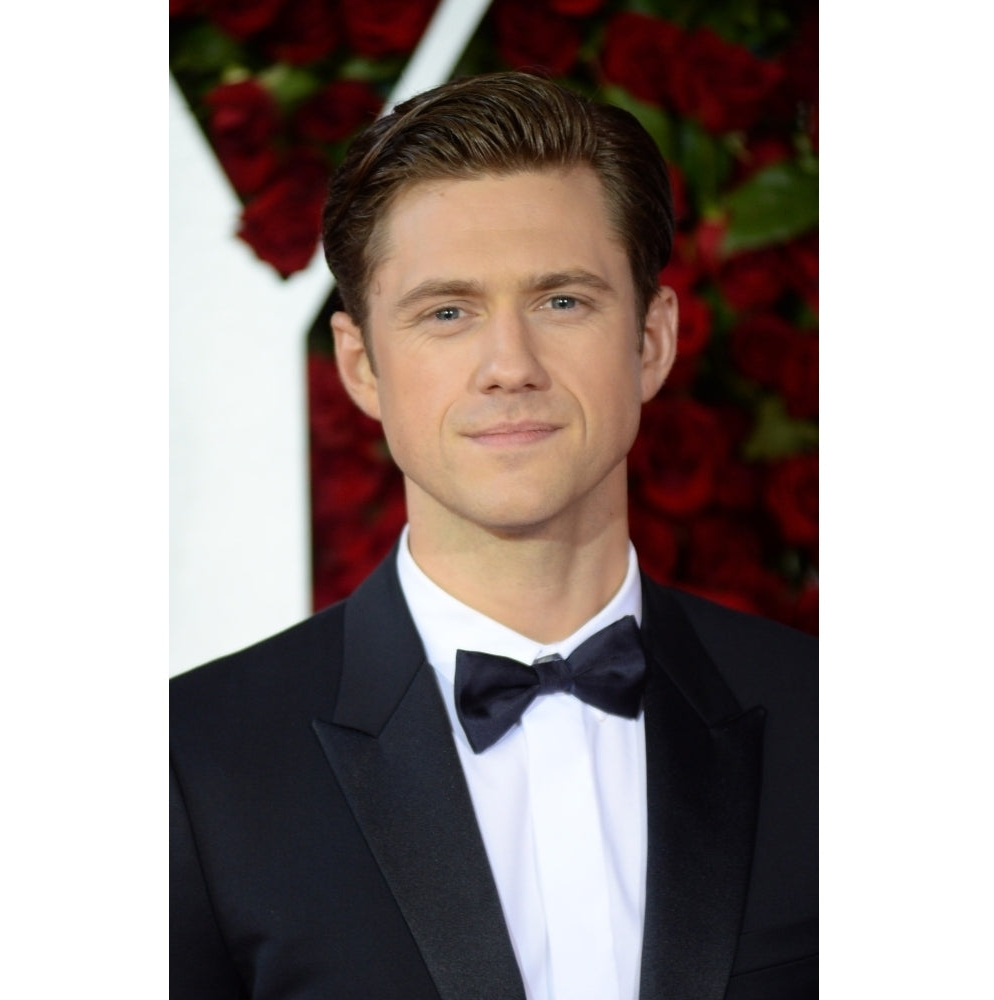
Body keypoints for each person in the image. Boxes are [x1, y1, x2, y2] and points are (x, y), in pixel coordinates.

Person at [170, 71, 817, 1000]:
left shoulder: (836, 724)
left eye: (562, 301)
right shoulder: (191, 764)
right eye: (447, 312)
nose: (509, 366)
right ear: (361, 365)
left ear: (651, 341)